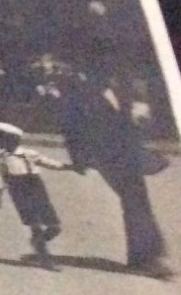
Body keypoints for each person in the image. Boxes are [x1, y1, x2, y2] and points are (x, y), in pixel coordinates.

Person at [60, 73, 173, 278]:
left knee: (136, 201)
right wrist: (79, 159)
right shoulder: (79, 90)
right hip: (108, 156)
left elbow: (129, 123)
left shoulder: (119, 88)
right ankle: (148, 258)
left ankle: (145, 257)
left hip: (127, 153)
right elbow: (71, 126)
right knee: (135, 201)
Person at [0, 121, 69, 260]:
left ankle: (38, 242)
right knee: (35, 224)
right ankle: (45, 258)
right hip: (18, 190)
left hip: (36, 187)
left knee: (54, 226)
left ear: (13, 140)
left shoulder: (29, 154)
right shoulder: (1, 159)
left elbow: (49, 163)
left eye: (0, 139)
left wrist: (69, 167)